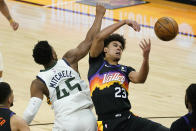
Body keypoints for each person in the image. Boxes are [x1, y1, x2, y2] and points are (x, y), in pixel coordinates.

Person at [23, 4, 106, 131]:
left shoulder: (38, 83)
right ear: (53, 54)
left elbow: (30, 112)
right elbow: (90, 40)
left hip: (66, 121)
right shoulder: (69, 59)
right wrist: (99, 15)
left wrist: (15, 127)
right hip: (88, 117)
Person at [88, 20, 169, 131]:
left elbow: (140, 78)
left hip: (128, 118)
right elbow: (98, 38)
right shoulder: (96, 64)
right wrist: (124, 22)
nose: (119, 48)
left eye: (121, 47)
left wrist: (145, 58)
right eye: (115, 45)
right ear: (105, 49)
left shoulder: (125, 70)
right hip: (107, 123)